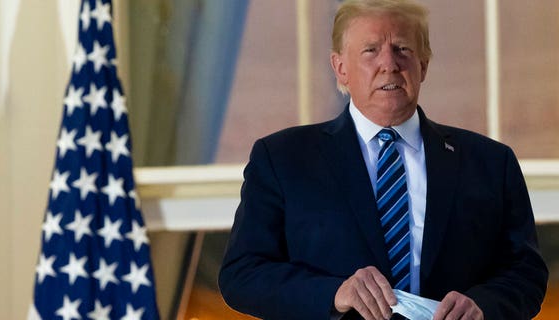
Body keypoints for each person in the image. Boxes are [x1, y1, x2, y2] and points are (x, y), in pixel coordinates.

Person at [218, 0, 548, 319]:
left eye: (403, 49)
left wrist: (483, 306)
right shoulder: (283, 159)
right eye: (371, 50)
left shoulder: (491, 163)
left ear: (424, 65)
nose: (389, 63)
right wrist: (334, 294)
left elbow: (526, 272)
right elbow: (242, 273)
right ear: (340, 67)